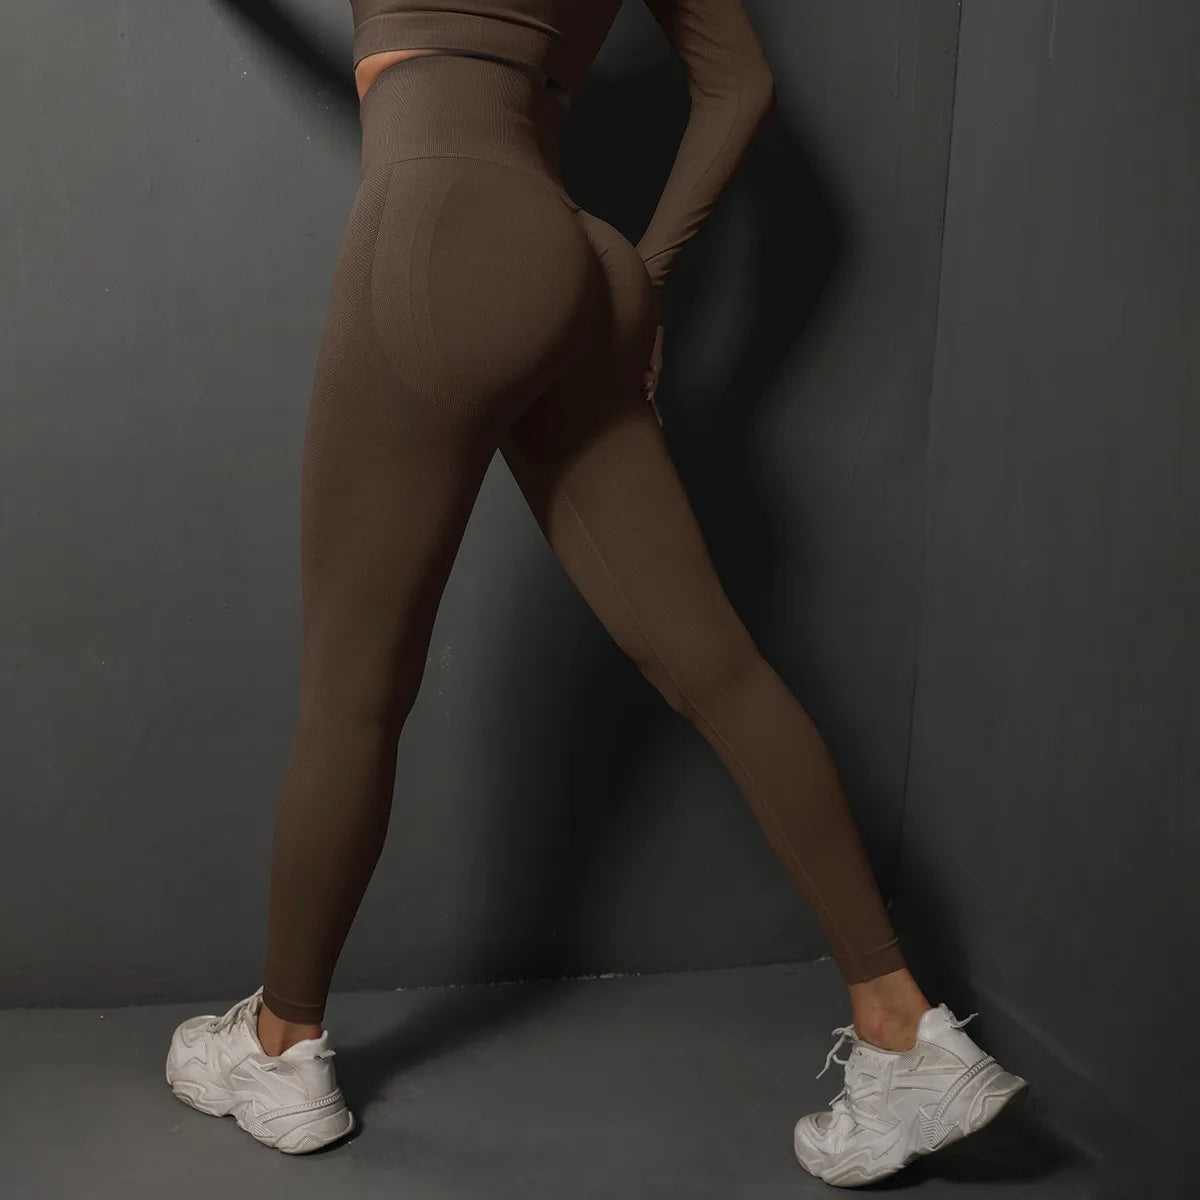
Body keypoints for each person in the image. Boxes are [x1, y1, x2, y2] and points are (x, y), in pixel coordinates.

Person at [164, 0, 1027, 1183]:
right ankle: (904, 1027)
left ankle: (280, 1046)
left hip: (435, 223)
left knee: (354, 689)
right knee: (719, 667)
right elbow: (741, 86)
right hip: (576, 256)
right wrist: (649, 280)